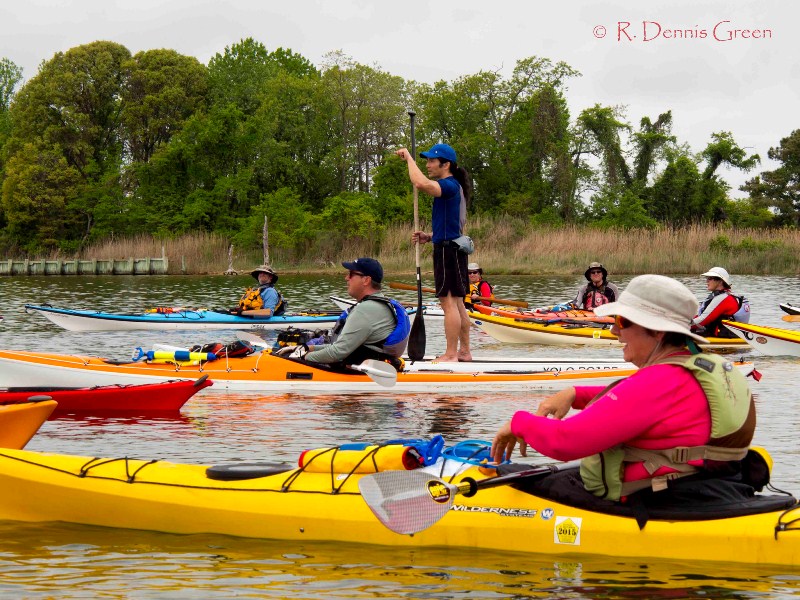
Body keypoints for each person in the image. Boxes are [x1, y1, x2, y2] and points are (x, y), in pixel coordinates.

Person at [491, 274, 755, 502]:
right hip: (704, 487)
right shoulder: (694, 368)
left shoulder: (658, 382)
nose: (615, 331)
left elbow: (566, 442)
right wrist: (576, 394)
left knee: (517, 480)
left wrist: (519, 423)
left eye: (623, 321)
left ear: (658, 331)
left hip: (655, 499)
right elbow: (641, 403)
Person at [396, 142, 473, 362]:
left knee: (448, 304)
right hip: (452, 248)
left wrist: (409, 159)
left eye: (431, 161)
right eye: (426, 161)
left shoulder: (448, 185)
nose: (428, 164)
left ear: (446, 164)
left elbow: (420, 183)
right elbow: (450, 224)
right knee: (457, 304)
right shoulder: (454, 186)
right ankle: (464, 352)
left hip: (448, 252)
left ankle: (450, 354)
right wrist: (430, 236)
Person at [274, 258, 410, 369]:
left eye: (351, 274)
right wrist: (306, 348)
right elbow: (343, 348)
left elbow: (337, 353)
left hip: (365, 371)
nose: (346, 278)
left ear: (366, 280)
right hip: (372, 363)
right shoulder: (378, 304)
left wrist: (300, 357)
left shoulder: (366, 309)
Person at [693, 267, 750, 338]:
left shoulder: (723, 298)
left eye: (710, 278)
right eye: (707, 278)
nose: (707, 281)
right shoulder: (720, 296)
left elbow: (702, 320)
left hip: (725, 337)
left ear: (720, 281)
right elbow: (700, 316)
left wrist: (681, 324)